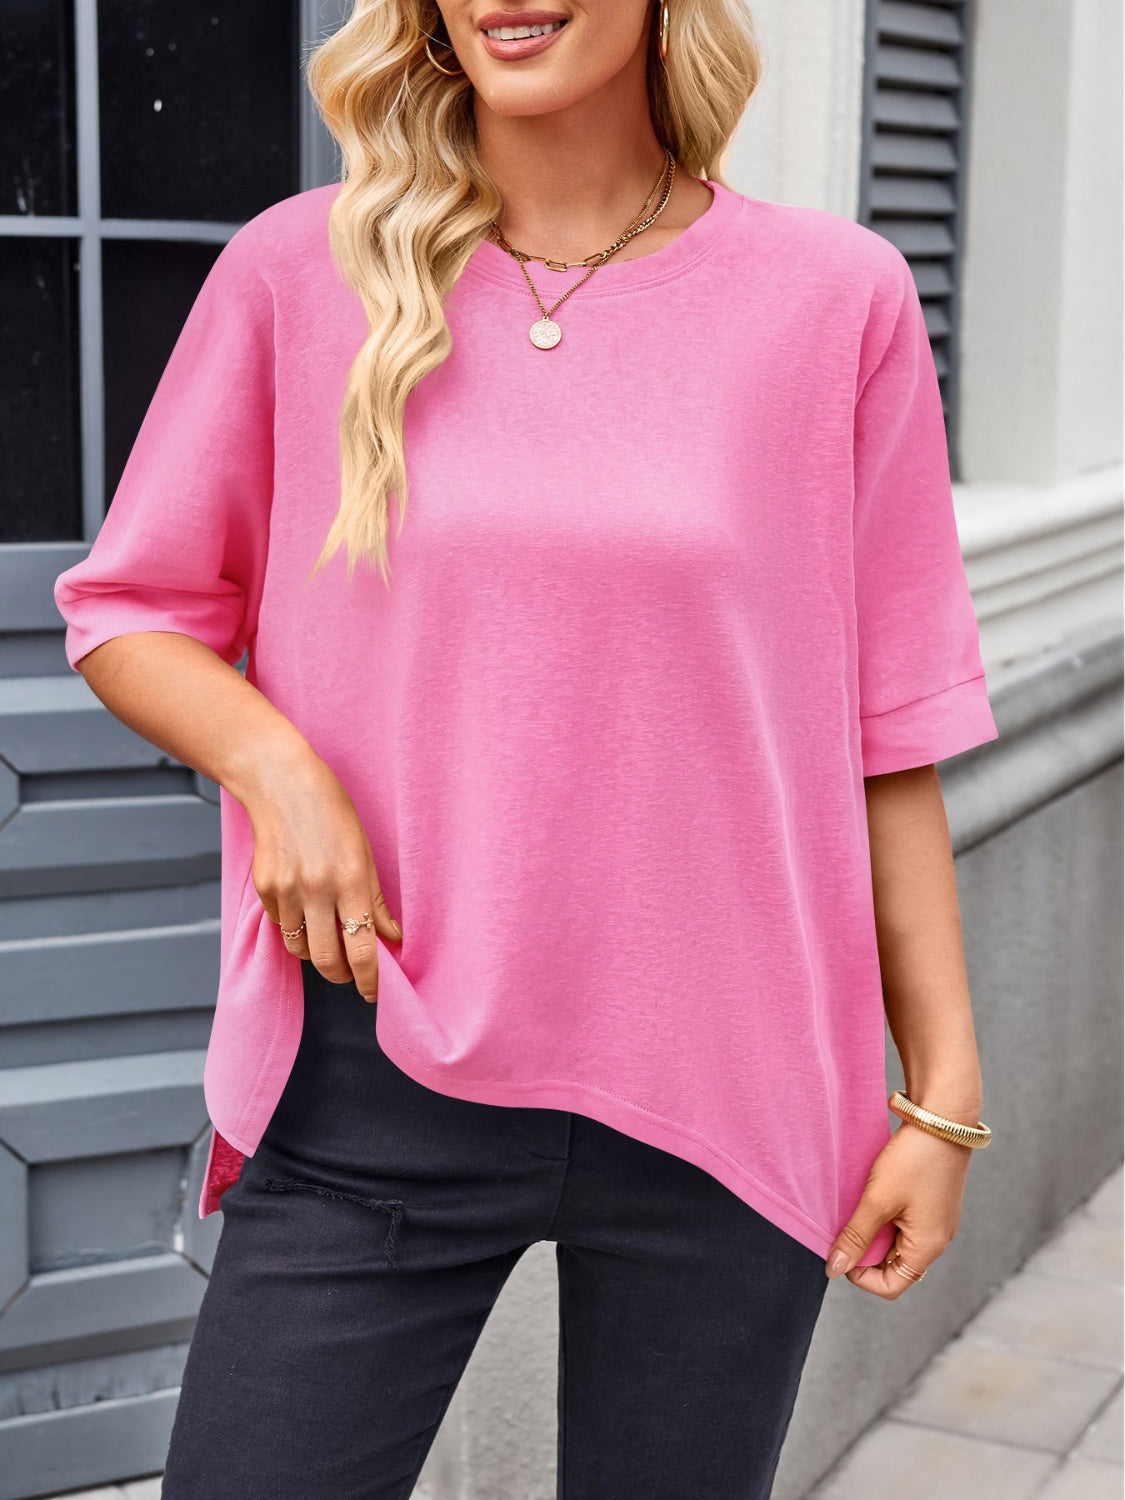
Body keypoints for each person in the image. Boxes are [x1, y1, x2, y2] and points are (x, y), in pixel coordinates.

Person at [52, 1, 998, 1495]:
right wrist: (279, 769)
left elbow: (889, 729)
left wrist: (940, 1094)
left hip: (730, 1074)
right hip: (382, 1055)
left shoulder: (835, 299)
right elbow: (131, 608)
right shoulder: (300, 272)